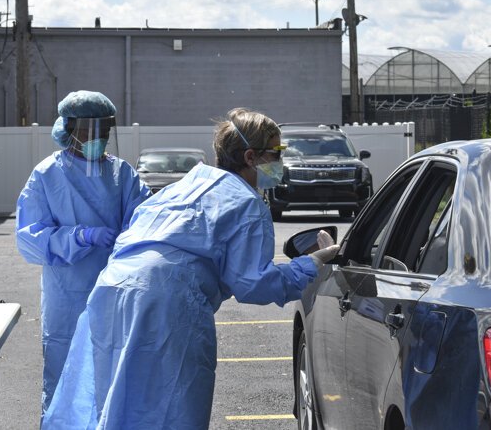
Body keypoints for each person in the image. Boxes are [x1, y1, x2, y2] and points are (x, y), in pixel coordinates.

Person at [43, 108, 339, 429]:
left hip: (111, 290)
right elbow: (252, 284)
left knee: (107, 400)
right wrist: (311, 264)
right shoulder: (245, 203)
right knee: (168, 407)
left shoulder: (182, 187)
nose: (280, 163)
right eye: (277, 153)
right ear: (252, 157)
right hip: (165, 301)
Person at [16, 90, 150, 416]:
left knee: (113, 383)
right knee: (64, 382)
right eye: (93, 130)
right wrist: (81, 236)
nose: (101, 138)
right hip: (67, 301)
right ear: (71, 128)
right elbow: (29, 240)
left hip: (115, 298)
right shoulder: (47, 175)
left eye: (105, 131)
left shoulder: (122, 175)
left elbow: (147, 219)